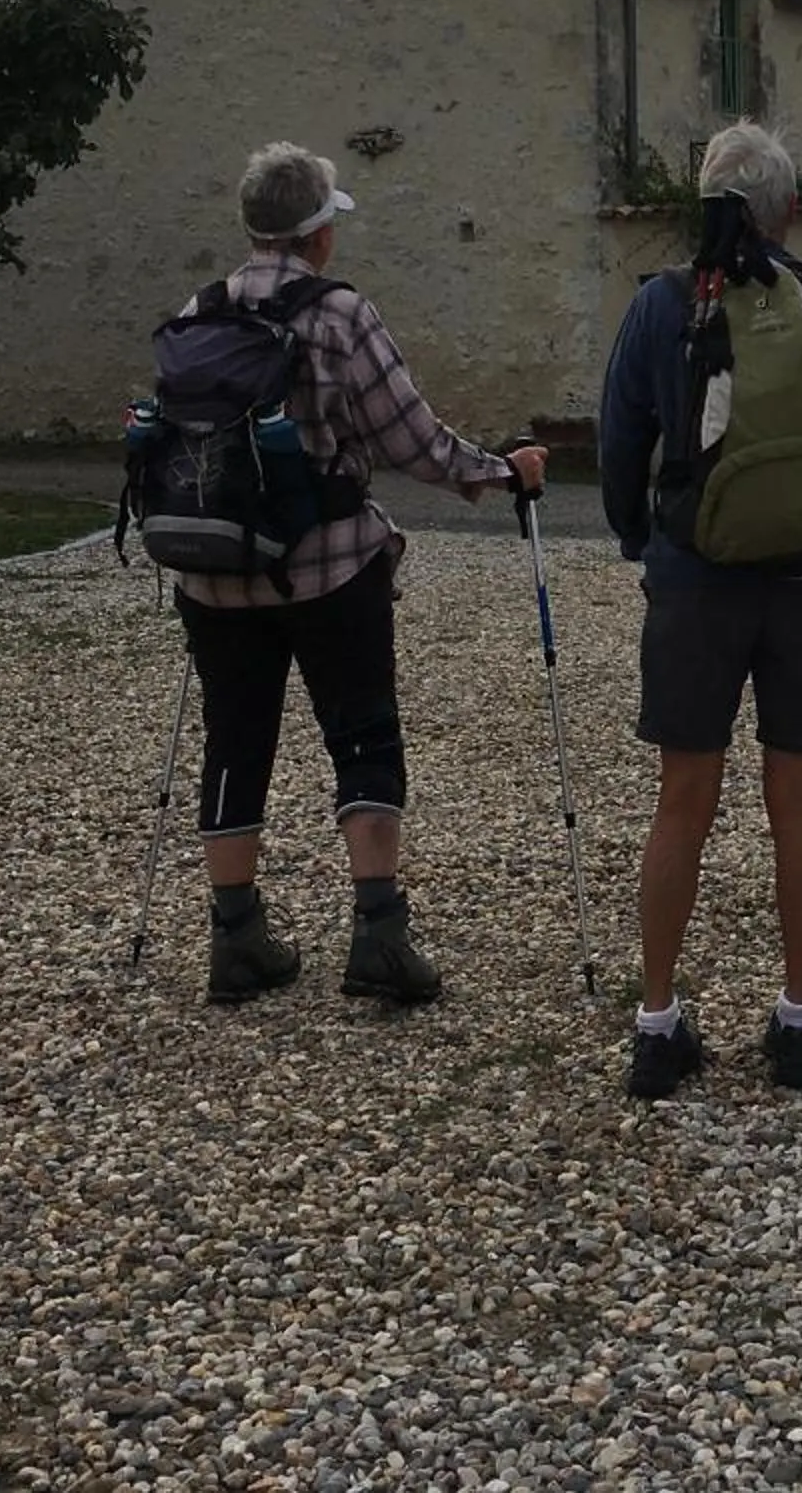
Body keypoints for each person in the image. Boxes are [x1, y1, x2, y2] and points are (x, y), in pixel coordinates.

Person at [168, 142, 544, 1008]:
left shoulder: (201, 307)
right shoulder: (340, 315)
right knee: (363, 734)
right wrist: (500, 471)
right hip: (330, 567)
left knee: (234, 740)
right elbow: (410, 438)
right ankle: (377, 934)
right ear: (317, 235)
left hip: (216, 570)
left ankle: (235, 938)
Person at [599, 122, 802, 1101]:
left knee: (681, 800)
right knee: (797, 801)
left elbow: (617, 447)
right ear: (791, 212)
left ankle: (657, 1022)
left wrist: (647, 543)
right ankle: (798, 1018)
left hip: (696, 575)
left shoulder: (662, 306)